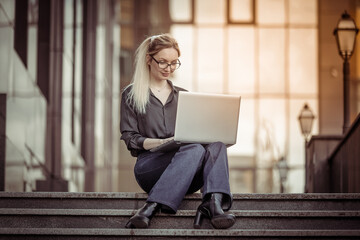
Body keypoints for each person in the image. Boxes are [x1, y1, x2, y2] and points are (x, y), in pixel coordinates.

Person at [120, 33, 235, 229]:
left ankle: (213, 202)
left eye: (174, 63)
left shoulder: (184, 96)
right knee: (195, 149)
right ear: (149, 59)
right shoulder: (131, 94)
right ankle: (154, 203)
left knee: (216, 145)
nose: (169, 69)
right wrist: (160, 143)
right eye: (163, 62)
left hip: (188, 172)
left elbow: (198, 136)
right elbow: (130, 138)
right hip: (151, 167)